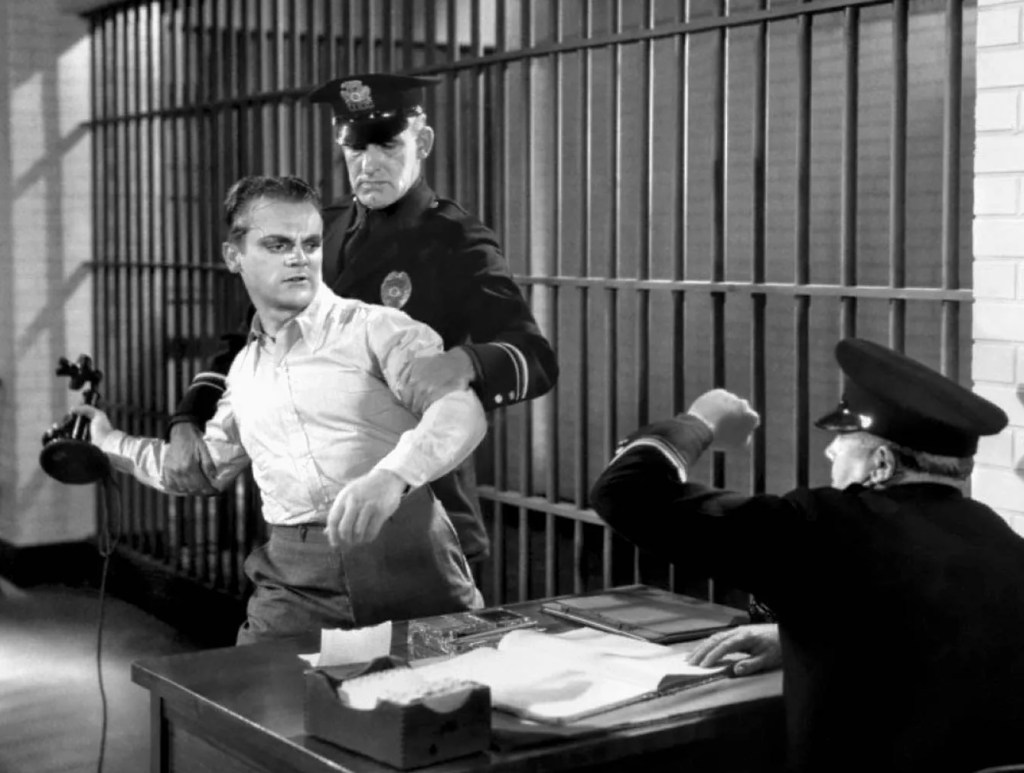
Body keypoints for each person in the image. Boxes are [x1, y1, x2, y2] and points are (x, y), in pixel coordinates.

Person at [163, 73, 558, 563]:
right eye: (355, 148)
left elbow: (533, 354)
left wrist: (467, 362)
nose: (368, 165)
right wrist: (188, 418)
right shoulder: (320, 231)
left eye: (387, 146)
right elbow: (254, 339)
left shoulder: (454, 239)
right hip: (311, 511)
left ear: (423, 143)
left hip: (416, 505)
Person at [76, 175, 487, 645]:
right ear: (234, 256)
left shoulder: (377, 330)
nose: (298, 258)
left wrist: (393, 476)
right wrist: (106, 441)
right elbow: (202, 471)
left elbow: (462, 410)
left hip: (406, 554)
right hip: (294, 576)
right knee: (256, 687)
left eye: (310, 244)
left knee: (438, 688)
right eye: (277, 245)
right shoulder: (243, 374)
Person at [589, 338, 1024, 773]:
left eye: (844, 439)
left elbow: (627, 494)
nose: (830, 451)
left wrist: (699, 421)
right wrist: (799, 634)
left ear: (883, 464)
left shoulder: (825, 527)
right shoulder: (1002, 541)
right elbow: (934, 632)